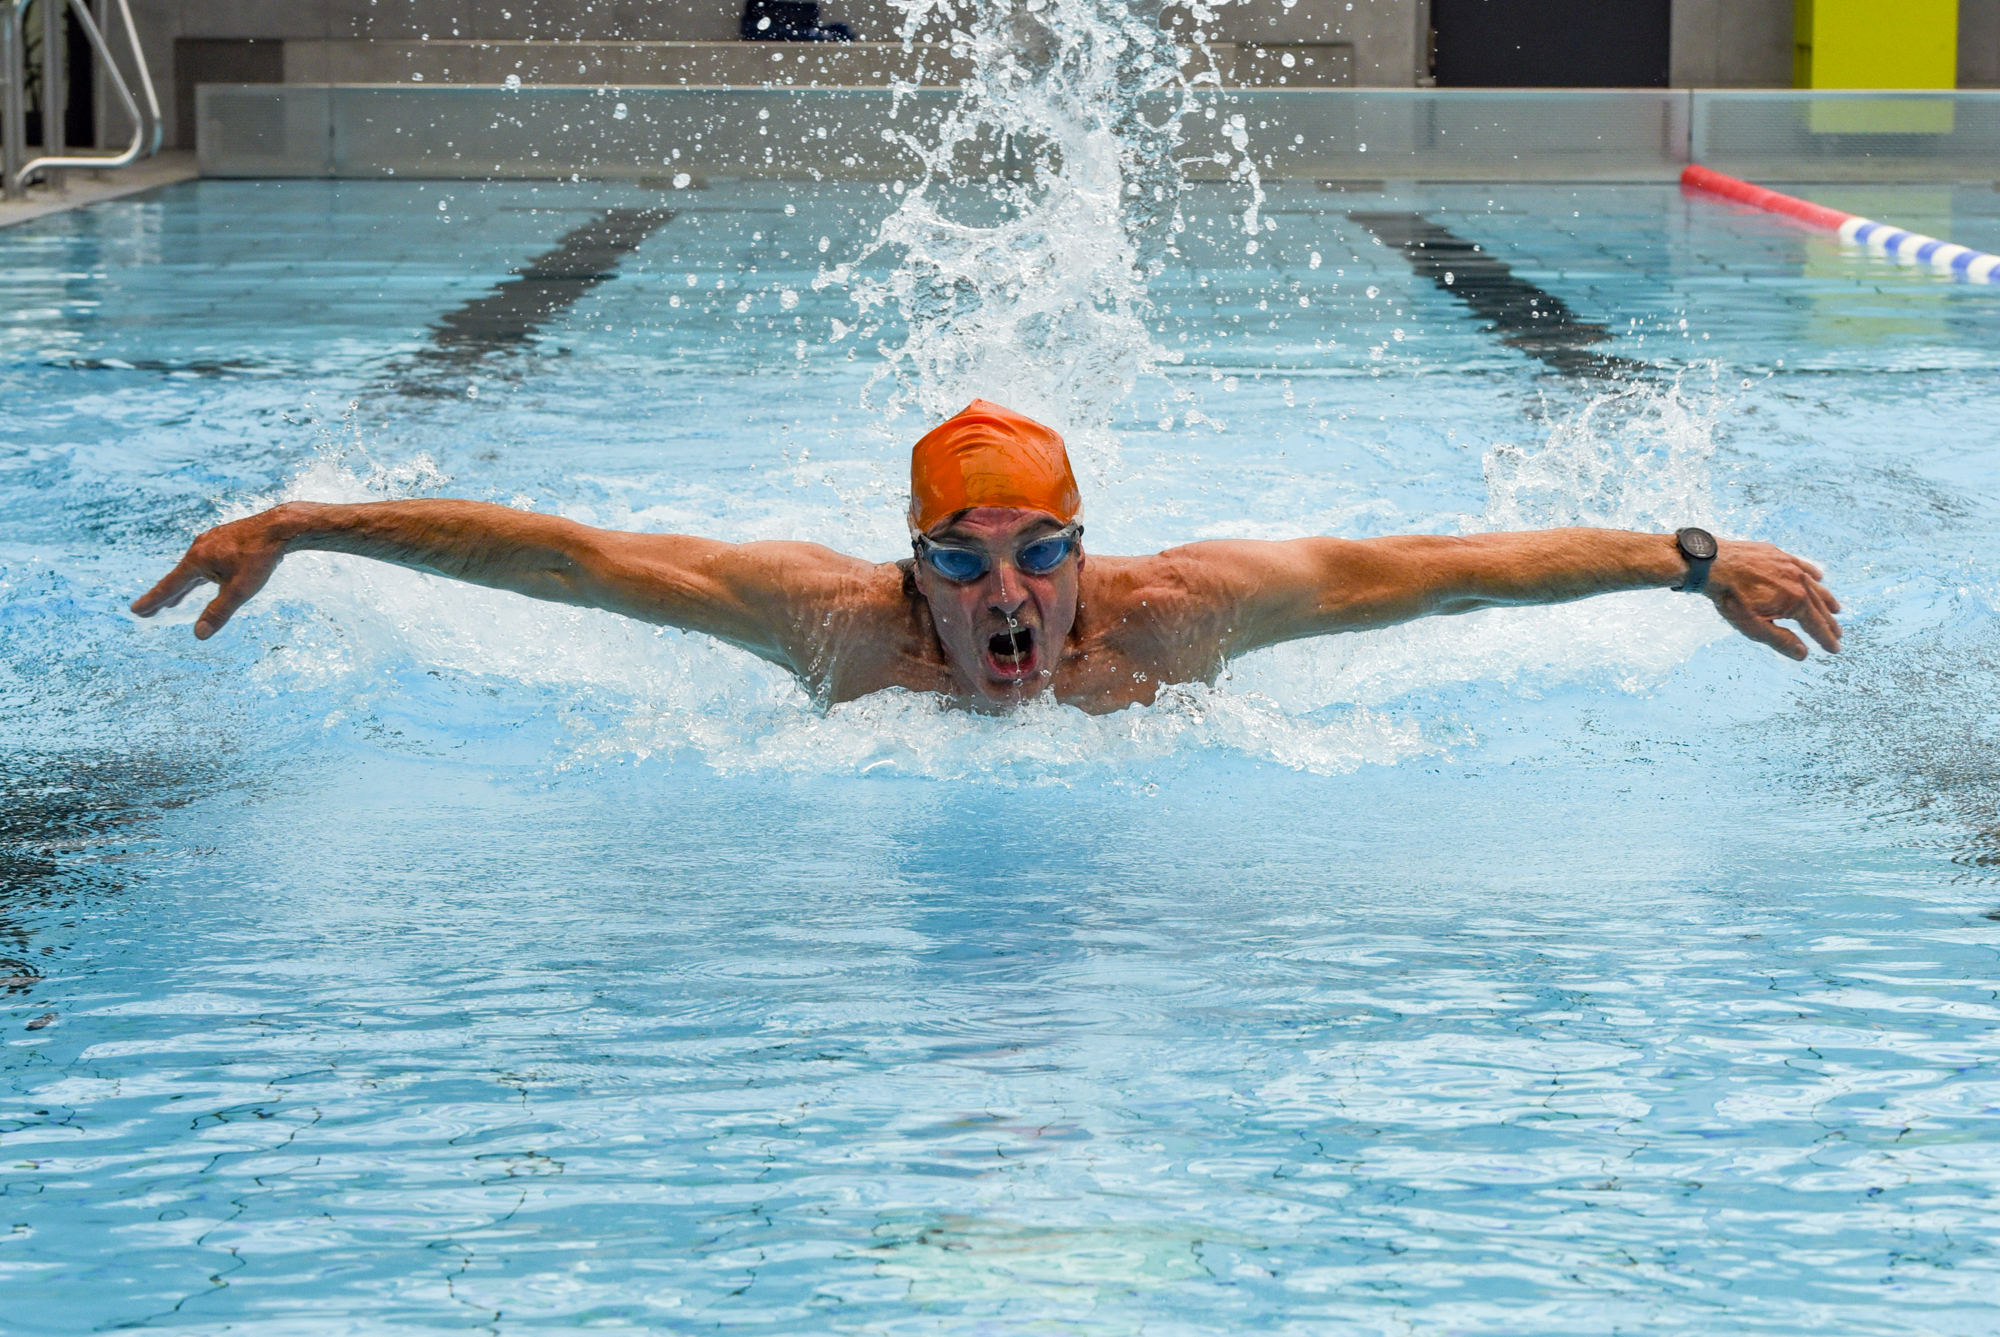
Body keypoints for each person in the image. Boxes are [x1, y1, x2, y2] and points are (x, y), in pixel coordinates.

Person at [131, 399, 1842, 714]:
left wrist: (1691, 558)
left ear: (1089, 557)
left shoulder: (1176, 620)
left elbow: (1445, 569)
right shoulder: (830, 626)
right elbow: (571, 561)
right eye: (964, 565)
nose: (1007, 598)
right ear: (912, 569)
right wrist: (307, 521)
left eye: (1040, 558)